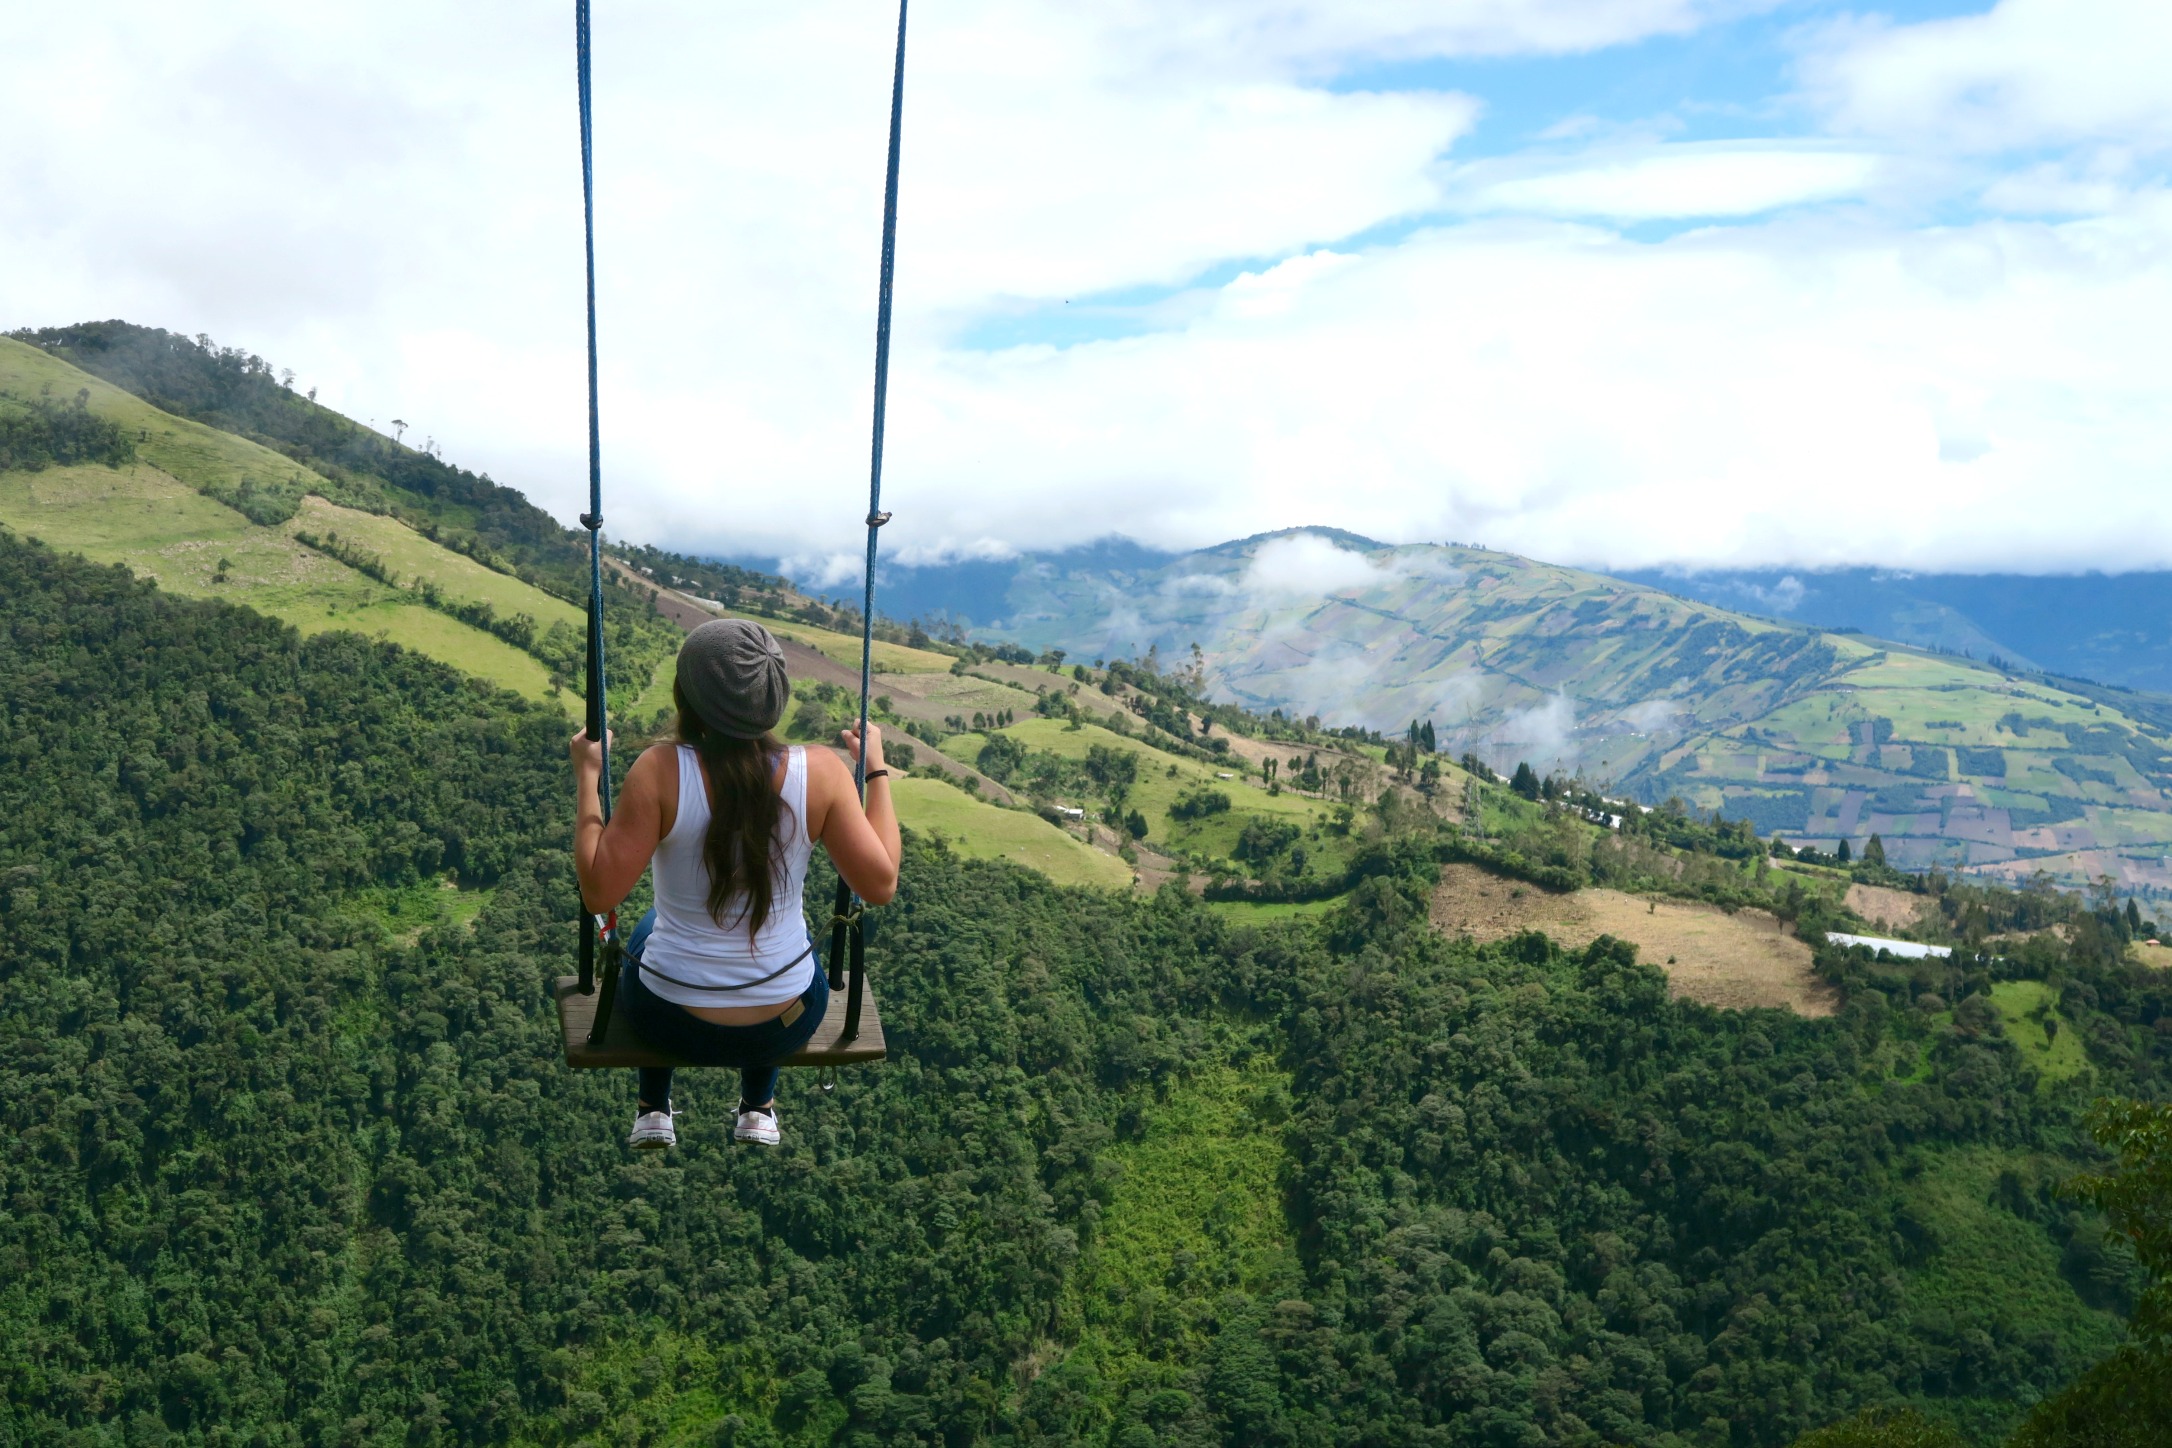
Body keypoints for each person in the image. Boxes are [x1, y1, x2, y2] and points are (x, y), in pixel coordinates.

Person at [570, 617, 900, 1150]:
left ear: (687, 695)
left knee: (650, 928)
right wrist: (876, 772)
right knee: (785, 940)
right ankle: (758, 1107)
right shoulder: (822, 773)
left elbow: (598, 894)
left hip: (667, 1019)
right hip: (786, 1020)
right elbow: (880, 882)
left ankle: (653, 1106)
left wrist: (588, 777)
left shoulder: (658, 771)